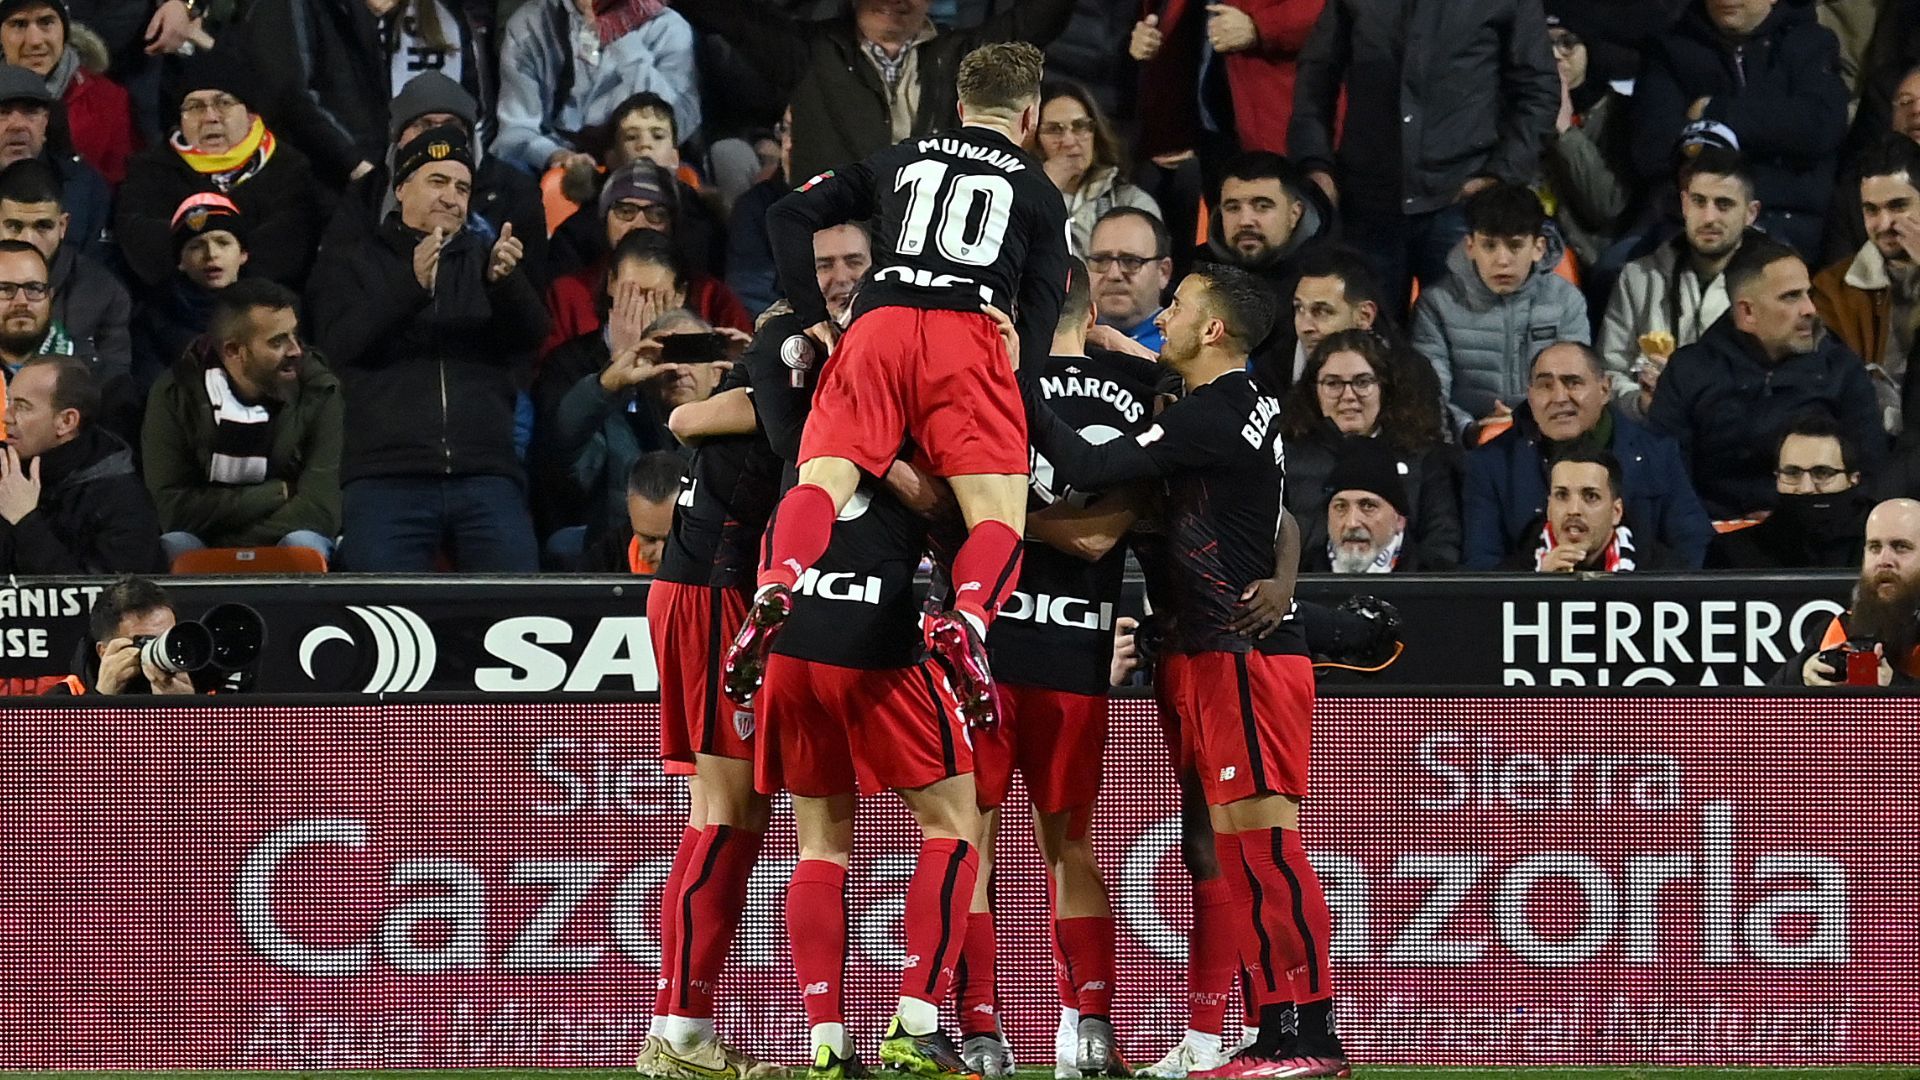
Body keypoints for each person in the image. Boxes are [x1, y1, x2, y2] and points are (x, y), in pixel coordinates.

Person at [1030, 264, 1349, 1078]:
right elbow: (1278, 518)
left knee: (1268, 849)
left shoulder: (1210, 414)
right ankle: (1272, 1029)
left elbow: (1089, 464)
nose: (1161, 315)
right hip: (1215, 650)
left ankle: (1309, 1038)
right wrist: (1109, 345)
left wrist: (1013, 380)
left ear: (1213, 331)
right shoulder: (1247, 402)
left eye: (1177, 306)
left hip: (1240, 655)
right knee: (1243, 852)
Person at [731, 42, 1073, 724]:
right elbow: (1039, 311)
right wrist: (1018, 383)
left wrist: (813, 319)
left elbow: (785, 214)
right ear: (1028, 118)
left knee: (819, 484)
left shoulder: (902, 155)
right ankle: (968, 621)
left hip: (878, 322)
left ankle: (776, 585)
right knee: (997, 517)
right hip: (968, 333)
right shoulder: (1039, 191)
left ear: (958, 108)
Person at [739, 218, 984, 1080]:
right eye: (827, 266)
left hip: (796, 623)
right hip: (876, 629)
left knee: (819, 845)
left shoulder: (787, 355)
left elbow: (782, 438)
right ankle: (917, 1020)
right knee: (954, 825)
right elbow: (949, 498)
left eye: (854, 264)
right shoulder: (911, 367)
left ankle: (825, 1042)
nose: (840, 279)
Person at [958, 260, 1155, 1079]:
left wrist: (1005, 514)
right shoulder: (1143, 390)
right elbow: (1104, 535)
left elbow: (951, 506)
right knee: (1069, 847)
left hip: (987, 646)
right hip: (1078, 651)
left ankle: (980, 1032)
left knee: (971, 844)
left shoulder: (987, 381)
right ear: (1092, 306)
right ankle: (1088, 1031)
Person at [305, 124, 548, 572]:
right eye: (437, 181)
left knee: (516, 605)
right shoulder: (353, 261)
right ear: (401, 188)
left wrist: (506, 285)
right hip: (385, 475)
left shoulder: (486, 259)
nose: (451, 197)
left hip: (485, 471)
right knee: (378, 617)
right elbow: (337, 346)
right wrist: (409, 287)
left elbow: (532, 337)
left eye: (462, 187)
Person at [1288, 0, 1559, 306]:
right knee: (1369, 343)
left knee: (1463, 339)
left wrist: (1500, 175)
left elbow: (1538, 88)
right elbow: (1316, 75)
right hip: (1366, 201)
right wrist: (1315, 162)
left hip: (1464, 200)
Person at [670, 0, 1076, 186]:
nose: (894, 2)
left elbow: (1044, 14)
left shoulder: (964, 55)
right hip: (834, 255)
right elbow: (725, 11)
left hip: (932, 257)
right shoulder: (809, 52)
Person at [1649, 234, 1885, 518]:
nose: (1809, 309)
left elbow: (1870, 475)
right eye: (1790, 297)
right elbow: (1666, 480)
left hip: (1817, 534)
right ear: (1747, 312)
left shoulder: (1842, 369)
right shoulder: (1687, 371)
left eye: (1807, 293)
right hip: (1713, 540)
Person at [141, 278, 340, 563]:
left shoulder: (319, 390)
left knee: (303, 543)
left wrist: (231, 540)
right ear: (234, 351)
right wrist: (276, 493)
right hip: (201, 540)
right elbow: (172, 509)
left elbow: (320, 510)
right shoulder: (175, 393)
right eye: (278, 341)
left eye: (295, 335)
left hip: (282, 533)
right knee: (174, 545)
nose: (296, 350)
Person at [1630, 0, 1849, 258]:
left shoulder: (1811, 43)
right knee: (1613, 271)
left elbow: (1819, 126)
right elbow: (1654, 149)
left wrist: (1714, 112)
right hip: (1688, 219)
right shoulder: (1670, 49)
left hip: (1789, 218)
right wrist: (1772, 129)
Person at [1465, 341, 1711, 569]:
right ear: (1530, 396)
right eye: (1545, 385)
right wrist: (1535, 581)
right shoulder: (1491, 464)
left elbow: (1692, 548)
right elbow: (1482, 569)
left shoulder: (1657, 454)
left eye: (1572, 383)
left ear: (1605, 389)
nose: (1560, 397)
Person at [114, 47, 324, 290]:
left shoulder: (288, 167)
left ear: (249, 114)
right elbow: (140, 239)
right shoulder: (150, 168)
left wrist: (196, 240)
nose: (210, 117)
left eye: (224, 103)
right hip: (175, 307)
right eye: (194, 106)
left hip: (264, 301)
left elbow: (288, 244)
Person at [323, 72, 548, 289]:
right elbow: (335, 282)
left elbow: (535, 302)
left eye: (452, 125)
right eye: (424, 125)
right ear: (398, 136)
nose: (439, 135)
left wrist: (504, 282)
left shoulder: (514, 191)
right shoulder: (368, 192)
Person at [245, 0, 493, 188]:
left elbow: (475, 106)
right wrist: (358, 166)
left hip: (420, 175)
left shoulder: (442, 12)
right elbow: (291, 96)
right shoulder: (299, 8)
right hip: (336, 181)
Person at [1411, 181, 1590, 439]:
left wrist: (1523, 422)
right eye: (1489, 246)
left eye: (1515, 246)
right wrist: (1470, 430)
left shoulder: (1565, 300)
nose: (1502, 260)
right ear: (1470, 246)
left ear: (1538, 248)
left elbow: (1575, 386)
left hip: (1546, 436)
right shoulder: (1436, 304)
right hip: (1465, 443)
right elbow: (1430, 395)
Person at [1599, 147, 1760, 418]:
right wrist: (1642, 403)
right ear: (1684, 204)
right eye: (1699, 201)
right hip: (1654, 440)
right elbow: (1608, 372)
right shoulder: (1638, 277)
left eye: (1723, 204)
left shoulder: (1772, 285)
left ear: (1751, 213)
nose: (1709, 217)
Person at [1279, 329, 1459, 569]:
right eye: (1333, 383)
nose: (1348, 395)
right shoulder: (1286, 456)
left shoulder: (1422, 454)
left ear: (1384, 386)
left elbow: (1442, 543)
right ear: (1315, 391)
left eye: (1362, 382)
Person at [541, 163, 744, 358]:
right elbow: (552, 379)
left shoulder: (712, 296)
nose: (639, 224)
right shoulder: (568, 293)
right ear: (605, 220)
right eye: (625, 211)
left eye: (656, 214)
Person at [492, 0, 698, 176]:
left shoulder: (668, 27)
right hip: (554, 165)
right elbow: (515, 132)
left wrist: (620, 37)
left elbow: (680, 124)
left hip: (641, 163)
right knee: (506, 175)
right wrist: (556, 156)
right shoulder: (530, 26)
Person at [0, 353, 162, 572]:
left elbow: (102, 598)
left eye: (22, 406)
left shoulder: (123, 501)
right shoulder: (6, 471)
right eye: (9, 402)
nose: (7, 416)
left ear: (66, 421)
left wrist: (25, 522)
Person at [1127, 0, 1325, 168]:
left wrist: (1259, 27)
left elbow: (1330, 11)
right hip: (1202, 136)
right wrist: (1142, 39)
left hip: (1285, 131)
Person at [1812, 136, 1920, 438]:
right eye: (1871, 210)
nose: (1884, 224)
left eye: (1898, 206)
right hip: (1872, 442)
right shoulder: (1833, 289)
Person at [0, 156, 124, 381]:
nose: (29, 240)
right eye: (15, 226)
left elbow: (115, 391)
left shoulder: (104, 294)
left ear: (63, 226)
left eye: (43, 226)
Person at [1775, 495, 1920, 686]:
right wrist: (1801, 675)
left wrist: (1895, 689)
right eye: (1874, 547)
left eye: (1901, 547)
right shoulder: (1836, 630)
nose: (1884, 560)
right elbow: (1760, 711)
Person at [1540, 2, 1635, 272]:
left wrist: (1565, 132)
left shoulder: (1619, 113)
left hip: (1589, 258)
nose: (1556, 55)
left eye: (1567, 43)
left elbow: (1608, 207)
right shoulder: (1517, 109)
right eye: (1545, 44)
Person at [1711, 412, 1873, 568]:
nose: (1806, 488)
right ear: (1777, 477)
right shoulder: (1734, 553)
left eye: (1822, 473)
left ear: (1853, 479)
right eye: (1792, 473)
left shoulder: (1888, 547)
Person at [0, 0, 133, 185]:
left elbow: (115, 187)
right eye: (19, 24)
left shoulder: (109, 100)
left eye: (46, 22)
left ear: (65, 30)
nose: (35, 41)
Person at [1035, 79, 1160, 257]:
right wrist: (1044, 192)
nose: (1069, 141)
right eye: (1054, 129)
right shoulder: (1018, 199)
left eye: (1080, 127)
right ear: (1035, 140)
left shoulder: (1131, 202)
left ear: (1096, 133)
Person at [130, 191, 242, 388]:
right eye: (196, 246)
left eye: (223, 243)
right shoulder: (152, 315)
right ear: (180, 261)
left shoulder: (272, 309)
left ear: (243, 254)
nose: (211, 254)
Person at [0, 61, 108, 265]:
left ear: (46, 121)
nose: (18, 125)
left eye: (31, 112)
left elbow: (94, 273)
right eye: (3, 112)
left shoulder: (85, 187)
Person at [1508, 447, 1661, 571]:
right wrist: (1540, 587)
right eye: (1562, 495)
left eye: (1591, 496)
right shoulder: (1509, 580)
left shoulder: (1659, 575)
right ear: (1549, 509)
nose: (1574, 510)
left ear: (1616, 512)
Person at [1306, 438, 1426, 573]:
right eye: (1341, 507)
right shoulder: (1298, 575)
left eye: (1368, 506)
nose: (1352, 523)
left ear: (1399, 520)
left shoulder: (1435, 579)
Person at [81, 576, 196, 695]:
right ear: (104, 652)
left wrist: (185, 707)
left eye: (166, 640)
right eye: (144, 642)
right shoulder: (69, 695)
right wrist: (102, 698)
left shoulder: (203, 680)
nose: (160, 651)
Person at [1088, 206, 1172, 354]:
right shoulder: (1059, 341)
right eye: (1101, 260)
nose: (1114, 275)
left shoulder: (1188, 350)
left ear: (1163, 272)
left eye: (1131, 261)